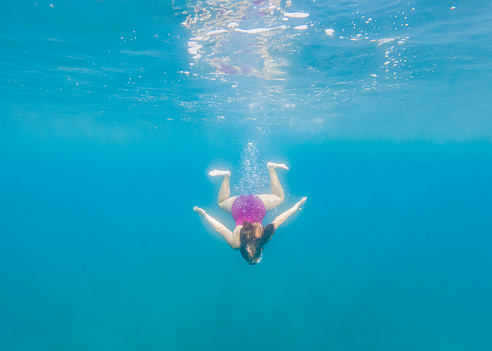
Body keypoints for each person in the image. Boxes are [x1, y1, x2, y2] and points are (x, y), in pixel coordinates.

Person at [193, 162, 307, 265]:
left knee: (279, 197)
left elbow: (279, 220)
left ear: (260, 250)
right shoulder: (235, 244)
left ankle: (271, 169)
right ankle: (226, 177)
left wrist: (295, 207)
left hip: (258, 205)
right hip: (237, 206)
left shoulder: (264, 237)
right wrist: (204, 214)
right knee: (221, 203)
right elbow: (219, 228)